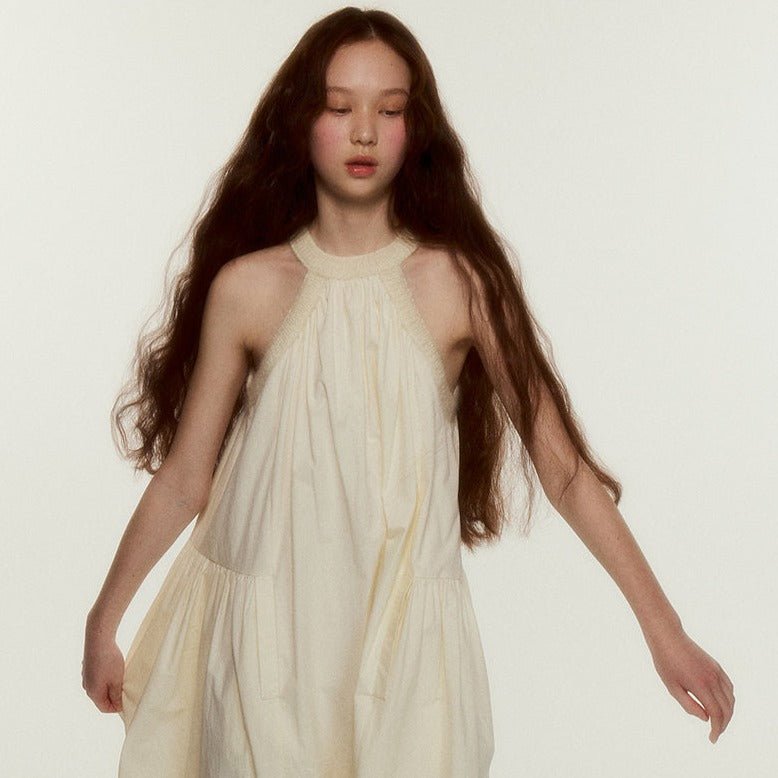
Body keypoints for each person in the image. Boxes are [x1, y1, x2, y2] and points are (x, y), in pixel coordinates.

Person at [82, 7, 735, 776]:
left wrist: (665, 632)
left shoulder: (461, 286)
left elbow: (562, 470)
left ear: (414, 129)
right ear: (300, 122)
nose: (364, 132)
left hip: (405, 654)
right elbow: (188, 476)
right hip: (265, 652)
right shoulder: (248, 289)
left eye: (389, 111)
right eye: (339, 107)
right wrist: (104, 619)